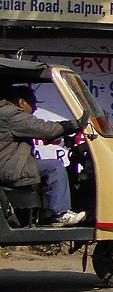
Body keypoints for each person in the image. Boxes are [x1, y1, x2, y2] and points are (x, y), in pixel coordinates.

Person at [0, 85, 83, 226]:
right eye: (32, 103)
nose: (35, 108)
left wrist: (60, 136)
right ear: (21, 102)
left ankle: (47, 212)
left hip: (10, 163)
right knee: (54, 166)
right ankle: (59, 214)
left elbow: (38, 133)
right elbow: (45, 129)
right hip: (9, 167)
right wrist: (72, 125)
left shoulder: (6, 113)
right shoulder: (11, 114)